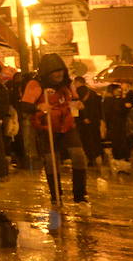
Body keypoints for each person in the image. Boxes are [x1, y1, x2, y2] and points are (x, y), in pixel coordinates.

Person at [20, 53, 89, 204]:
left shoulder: (67, 83)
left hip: (67, 125)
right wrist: (39, 106)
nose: (59, 74)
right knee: (51, 161)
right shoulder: (36, 84)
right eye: (55, 72)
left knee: (78, 155)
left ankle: (80, 195)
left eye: (61, 71)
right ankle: (56, 195)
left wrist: (78, 104)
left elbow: (75, 99)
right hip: (46, 127)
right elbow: (24, 105)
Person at [73, 76, 103, 169]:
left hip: (82, 121)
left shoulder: (76, 93)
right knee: (95, 138)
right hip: (95, 120)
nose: (74, 85)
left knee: (85, 140)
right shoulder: (93, 93)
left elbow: (76, 108)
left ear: (78, 82)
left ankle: (89, 159)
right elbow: (99, 108)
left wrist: (83, 117)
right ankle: (98, 157)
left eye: (74, 83)